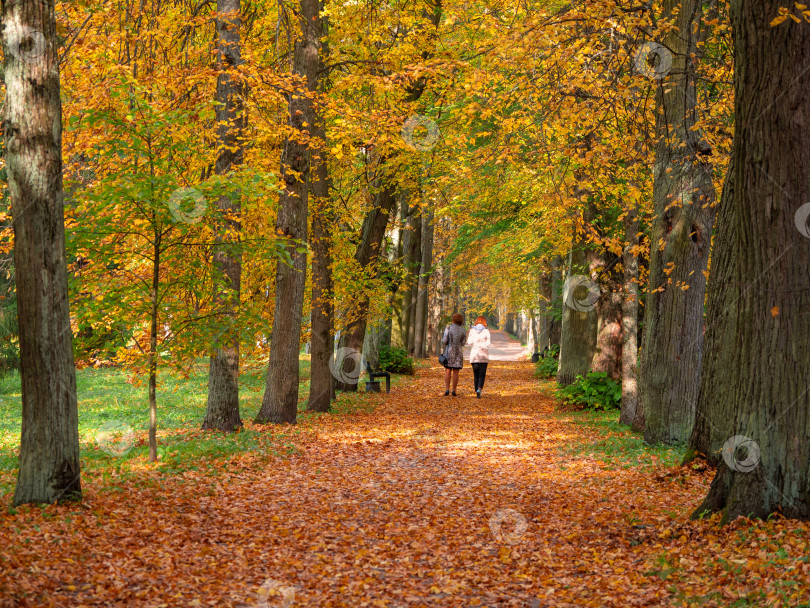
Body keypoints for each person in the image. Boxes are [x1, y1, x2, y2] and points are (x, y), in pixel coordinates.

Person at [441, 313, 467, 396]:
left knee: (448, 371)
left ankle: (447, 389)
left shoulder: (448, 328)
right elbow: (463, 343)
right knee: (456, 372)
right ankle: (454, 390)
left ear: (453, 319)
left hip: (449, 351)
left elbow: (444, 341)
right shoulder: (463, 330)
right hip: (458, 352)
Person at [467, 316, 491, 398]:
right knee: (482, 374)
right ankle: (479, 389)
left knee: (476, 374)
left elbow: (469, 342)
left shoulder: (472, 331)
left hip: (474, 355)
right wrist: (483, 346)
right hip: (483, 355)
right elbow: (488, 343)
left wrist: (475, 345)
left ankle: (476, 389)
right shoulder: (486, 331)